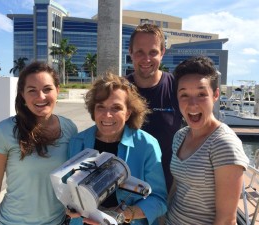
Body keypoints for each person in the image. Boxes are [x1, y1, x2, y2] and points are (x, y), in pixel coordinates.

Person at [0, 61, 78, 225]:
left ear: (58, 91)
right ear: (23, 95)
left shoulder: (69, 128)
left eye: (47, 89)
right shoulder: (3, 132)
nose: (41, 97)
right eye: (32, 90)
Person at [67, 72, 167, 225]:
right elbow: (68, 189)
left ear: (128, 113)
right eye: (101, 107)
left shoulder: (147, 145)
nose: (107, 115)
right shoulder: (77, 142)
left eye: (116, 108)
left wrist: (120, 215)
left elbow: (159, 200)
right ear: (93, 110)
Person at [166, 56, 249, 224]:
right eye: (184, 95)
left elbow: (226, 219)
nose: (192, 104)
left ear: (215, 94)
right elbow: (178, 187)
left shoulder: (224, 144)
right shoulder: (180, 136)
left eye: (201, 94)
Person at [126, 23, 182, 192]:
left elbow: (201, 125)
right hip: (125, 188)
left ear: (162, 53)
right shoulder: (120, 89)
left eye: (153, 52)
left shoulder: (176, 87)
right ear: (130, 53)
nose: (146, 59)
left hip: (166, 189)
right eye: (140, 52)